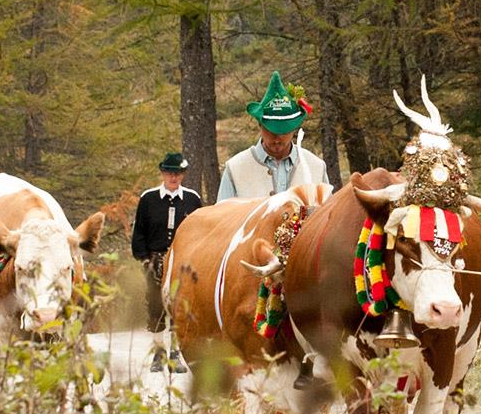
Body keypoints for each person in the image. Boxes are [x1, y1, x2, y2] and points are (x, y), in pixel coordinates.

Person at [131, 153, 201, 372]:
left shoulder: (192, 199)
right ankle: (158, 354)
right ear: (162, 173)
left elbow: (200, 231)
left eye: (178, 173)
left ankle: (175, 354)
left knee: (179, 306)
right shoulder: (149, 198)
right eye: (170, 173)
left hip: (183, 260)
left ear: (183, 174)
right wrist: (143, 259)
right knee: (156, 307)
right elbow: (139, 232)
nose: (174, 177)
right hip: (154, 259)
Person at [215, 72, 332, 201]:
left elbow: (327, 217)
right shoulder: (235, 169)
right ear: (260, 126)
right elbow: (221, 218)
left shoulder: (316, 167)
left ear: (294, 129)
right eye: (271, 131)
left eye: (284, 132)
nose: (277, 138)